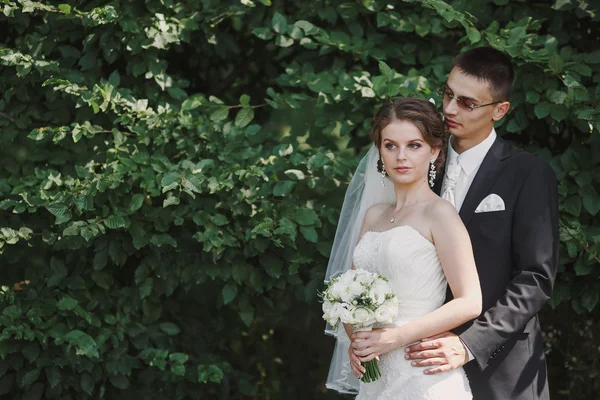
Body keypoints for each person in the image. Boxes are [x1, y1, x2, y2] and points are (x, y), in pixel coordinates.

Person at [403, 47, 559, 400]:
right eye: (448, 94)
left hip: (502, 369)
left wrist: (469, 343)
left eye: (467, 103)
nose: (449, 109)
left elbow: (535, 277)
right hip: (419, 361)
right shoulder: (420, 164)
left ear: (500, 111)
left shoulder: (528, 174)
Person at [324, 97, 482, 399]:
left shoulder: (440, 214)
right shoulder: (373, 216)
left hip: (422, 374)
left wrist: (394, 338)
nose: (401, 157)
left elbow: (470, 301)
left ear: (434, 150)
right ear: (380, 152)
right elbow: (348, 293)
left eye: (414, 145)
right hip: (376, 375)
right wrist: (358, 342)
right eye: (390, 145)